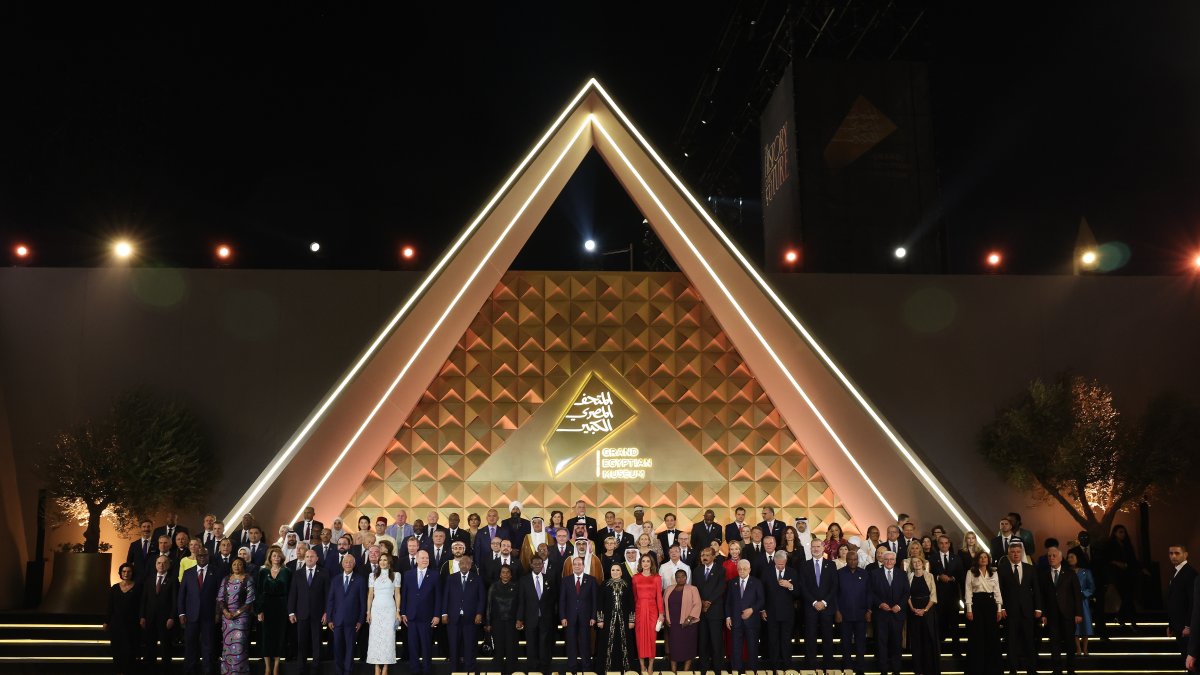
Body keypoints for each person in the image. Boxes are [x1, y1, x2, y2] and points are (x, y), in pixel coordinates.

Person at [998, 541, 1042, 675]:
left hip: (1027, 611)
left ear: (1021, 553)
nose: (1015, 554)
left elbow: (1036, 589)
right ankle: (1012, 669)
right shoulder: (1002, 569)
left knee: (1029, 640)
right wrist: (1002, 608)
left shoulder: (1030, 568)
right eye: (1013, 552)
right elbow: (998, 590)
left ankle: (1032, 669)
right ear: (1008, 554)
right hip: (1010, 612)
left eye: (1018, 552)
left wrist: (1038, 608)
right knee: (1011, 641)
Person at [1040, 545, 1083, 675]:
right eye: (1049, 556)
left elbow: (1077, 595)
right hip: (1052, 615)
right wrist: (1044, 614)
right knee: (1054, 644)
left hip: (1068, 614)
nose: (1051, 558)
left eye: (1054, 556)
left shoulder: (1070, 573)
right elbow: (1042, 596)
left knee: (1070, 643)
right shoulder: (1044, 574)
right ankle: (1056, 670)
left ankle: (1071, 668)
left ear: (1060, 557)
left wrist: (1078, 613)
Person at [178, 548, 220, 675]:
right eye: (199, 555)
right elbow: (182, 595)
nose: (202, 557)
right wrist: (181, 613)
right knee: (190, 646)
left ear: (208, 556)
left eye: (204, 555)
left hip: (209, 616)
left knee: (208, 647)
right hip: (191, 616)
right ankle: (190, 671)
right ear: (196, 556)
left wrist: (218, 613)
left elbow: (220, 595)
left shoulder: (217, 572)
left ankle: (207, 671)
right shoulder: (188, 572)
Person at [442, 553, 484, 671]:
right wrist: (444, 613)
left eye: (467, 563)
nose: (464, 565)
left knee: (469, 646)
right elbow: (446, 596)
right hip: (453, 618)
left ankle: (469, 670)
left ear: (471, 565)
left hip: (471, 619)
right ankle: (454, 670)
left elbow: (481, 598)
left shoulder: (477, 578)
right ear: (459, 565)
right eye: (462, 563)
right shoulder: (451, 578)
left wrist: (479, 613)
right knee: (453, 646)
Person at [288, 548, 328, 675]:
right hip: (301, 613)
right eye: (307, 557)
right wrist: (291, 612)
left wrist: (327, 612)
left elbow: (328, 595)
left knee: (317, 642)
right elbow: (293, 594)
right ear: (304, 558)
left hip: (318, 614)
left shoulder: (324, 573)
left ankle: (315, 669)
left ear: (317, 558)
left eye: (312, 556)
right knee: (302, 642)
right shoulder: (298, 573)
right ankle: (301, 668)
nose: (309, 559)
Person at [868, 550, 909, 675]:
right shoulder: (874, 574)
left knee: (896, 642)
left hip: (897, 615)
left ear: (895, 561)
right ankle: (883, 670)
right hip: (881, 614)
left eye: (892, 559)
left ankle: (896, 670)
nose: (889, 562)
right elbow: (870, 592)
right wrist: (880, 604)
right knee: (881, 643)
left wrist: (899, 606)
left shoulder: (902, 574)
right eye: (886, 559)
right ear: (882, 560)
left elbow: (906, 592)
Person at [400, 550, 440, 675]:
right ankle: (415, 670)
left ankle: (427, 670)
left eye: (427, 558)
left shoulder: (435, 575)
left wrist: (437, 614)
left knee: (426, 646)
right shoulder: (408, 574)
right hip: (411, 616)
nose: (425, 560)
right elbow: (404, 594)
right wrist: (403, 612)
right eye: (422, 558)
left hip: (427, 617)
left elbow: (438, 596)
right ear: (416, 559)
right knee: (413, 646)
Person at [800, 539, 838, 671]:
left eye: (818, 546)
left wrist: (824, 602)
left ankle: (828, 666)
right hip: (811, 607)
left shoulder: (831, 565)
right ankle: (811, 666)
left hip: (827, 608)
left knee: (828, 637)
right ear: (810, 549)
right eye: (813, 547)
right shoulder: (804, 565)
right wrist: (815, 602)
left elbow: (834, 586)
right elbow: (803, 587)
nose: (815, 549)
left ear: (823, 548)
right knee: (810, 638)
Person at [328, 552, 368, 675]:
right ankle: (339, 672)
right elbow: (331, 600)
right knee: (338, 648)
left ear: (354, 564)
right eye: (346, 562)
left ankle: (348, 672)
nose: (348, 564)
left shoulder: (360, 580)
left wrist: (361, 620)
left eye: (351, 562)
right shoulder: (335, 580)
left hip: (352, 622)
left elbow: (363, 602)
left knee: (350, 649)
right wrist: (329, 619)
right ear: (342, 564)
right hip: (337, 621)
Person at [254, 545, 291, 675]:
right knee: (266, 637)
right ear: (270, 557)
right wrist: (259, 610)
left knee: (279, 636)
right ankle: (267, 667)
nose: (276, 558)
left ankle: (276, 666)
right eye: (273, 555)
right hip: (266, 607)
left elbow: (289, 591)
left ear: (282, 557)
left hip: (281, 607)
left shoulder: (287, 571)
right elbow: (258, 592)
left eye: (278, 555)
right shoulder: (263, 572)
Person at [965, 550, 1003, 675]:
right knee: (977, 637)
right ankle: (976, 669)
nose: (983, 559)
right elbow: (968, 591)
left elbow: (997, 591)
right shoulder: (970, 572)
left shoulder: (994, 573)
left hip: (990, 605)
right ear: (977, 559)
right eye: (981, 557)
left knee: (991, 637)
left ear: (988, 559)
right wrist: (969, 610)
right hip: (976, 605)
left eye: (985, 557)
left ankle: (992, 669)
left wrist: (999, 609)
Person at [215, 557, 255, 675]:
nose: (237, 566)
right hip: (227, 618)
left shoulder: (248, 579)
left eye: (239, 564)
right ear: (231, 566)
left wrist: (236, 613)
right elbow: (220, 598)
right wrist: (226, 612)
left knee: (239, 644)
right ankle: (227, 672)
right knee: (227, 646)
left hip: (242, 617)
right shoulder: (226, 579)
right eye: (234, 564)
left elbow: (249, 600)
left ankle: (240, 672)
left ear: (243, 566)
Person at [515, 556, 555, 671]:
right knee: (531, 643)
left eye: (540, 564)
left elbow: (553, 599)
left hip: (545, 618)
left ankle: (544, 668)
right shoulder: (524, 580)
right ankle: (532, 668)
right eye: (535, 564)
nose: (538, 565)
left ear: (543, 565)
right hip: (530, 618)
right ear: (531, 565)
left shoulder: (549, 579)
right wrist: (519, 618)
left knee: (544, 644)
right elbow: (521, 601)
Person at [140, 554, 178, 674]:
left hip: (165, 619)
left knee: (165, 647)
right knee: (150, 646)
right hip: (150, 618)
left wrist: (172, 617)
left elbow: (175, 601)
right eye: (159, 563)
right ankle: (151, 670)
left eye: (164, 563)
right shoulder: (149, 580)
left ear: (168, 565)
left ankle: (166, 670)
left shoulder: (173, 580)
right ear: (155, 565)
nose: (161, 565)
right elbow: (143, 600)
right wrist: (142, 616)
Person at [835, 545, 870, 674]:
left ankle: (860, 668)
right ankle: (847, 667)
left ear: (858, 560)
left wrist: (869, 610)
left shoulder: (865, 574)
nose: (853, 562)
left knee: (861, 643)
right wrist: (837, 611)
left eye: (855, 559)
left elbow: (869, 593)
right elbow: (835, 594)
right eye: (850, 559)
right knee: (845, 643)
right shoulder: (839, 574)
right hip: (844, 615)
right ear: (846, 560)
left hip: (861, 614)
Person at [561, 556, 599, 671]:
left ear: (583, 566)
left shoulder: (591, 580)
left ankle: (586, 667)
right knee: (571, 642)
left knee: (585, 642)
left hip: (586, 617)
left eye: (579, 564)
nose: (577, 566)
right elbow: (562, 600)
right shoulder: (565, 580)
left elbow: (594, 600)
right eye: (575, 564)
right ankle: (572, 667)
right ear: (572, 566)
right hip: (570, 617)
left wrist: (593, 616)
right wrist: (562, 616)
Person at [365, 551, 400, 673]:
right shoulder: (372, 575)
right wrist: (368, 612)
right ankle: (376, 666)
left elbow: (397, 594)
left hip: (390, 609)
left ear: (389, 562)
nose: (382, 562)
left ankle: (385, 666)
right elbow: (370, 595)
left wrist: (398, 611)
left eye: (385, 560)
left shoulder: (396, 575)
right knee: (375, 638)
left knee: (388, 637)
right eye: (381, 560)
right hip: (376, 609)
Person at [726, 558, 764, 671]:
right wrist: (728, 617)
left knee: (752, 648)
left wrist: (752, 609)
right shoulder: (732, 582)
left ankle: (753, 671)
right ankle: (736, 670)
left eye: (744, 569)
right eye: (740, 569)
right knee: (736, 648)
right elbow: (728, 602)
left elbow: (761, 601)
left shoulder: (757, 582)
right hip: (736, 621)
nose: (742, 571)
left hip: (752, 621)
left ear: (749, 569)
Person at [597, 563, 636, 672]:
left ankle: (626, 669)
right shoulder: (604, 584)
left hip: (624, 620)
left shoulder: (627, 585)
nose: (615, 572)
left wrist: (631, 620)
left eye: (617, 570)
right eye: (613, 570)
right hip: (608, 620)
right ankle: (606, 669)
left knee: (624, 643)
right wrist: (600, 619)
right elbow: (600, 602)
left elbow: (631, 603)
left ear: (621, 572)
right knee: (608, 643)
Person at [930, 534, 964, 658]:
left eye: (946, 543)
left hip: (953, 596)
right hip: (938, 596)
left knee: (954, 625)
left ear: (949, 544)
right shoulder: (932, 558)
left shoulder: (957, 558)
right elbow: (929, 576)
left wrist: (953, 578)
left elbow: (961, 576)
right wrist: (939, 577)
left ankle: (957, 651)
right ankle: (938, 651)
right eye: (941, 543)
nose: (944, 545)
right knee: (939, 624)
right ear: (938, 544)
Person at [693, 548, 726, 671]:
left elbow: (721, 588)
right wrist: (701, 602)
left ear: (713, 556)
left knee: (716, 642)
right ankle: (703, 669)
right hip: (701, 612)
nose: (704, 557)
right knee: (703, 642)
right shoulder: (697, 571)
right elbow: (694, 588)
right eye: (702, 555)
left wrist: (709, 602)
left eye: (707, 555)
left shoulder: (720, 570)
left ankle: (718, 669)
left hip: (715, 611)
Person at [906, 555, 940, 675]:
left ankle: (928, 669)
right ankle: (918, 670)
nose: (916, 564)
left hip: (927, 612)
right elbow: (907, 595)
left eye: (918, 562)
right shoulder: (909, 576)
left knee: (927, 640)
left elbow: (933, 595)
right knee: (916, 641)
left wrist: (924, 610)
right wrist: (913, 609)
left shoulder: (929, 576)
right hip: (913, 612)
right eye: (914, 562)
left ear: (923, 563)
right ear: (912, 565)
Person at [104, 562, 140, 675]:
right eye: (124, 571)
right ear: (120, 573)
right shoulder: (114, 588)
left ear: (132, 573)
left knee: (130, 650)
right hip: (116, 625)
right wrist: (106, 621)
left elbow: (141, 605)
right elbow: (110, 606)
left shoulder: (139, 587)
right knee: (117, 650)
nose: (126, 573)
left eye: (129, 571)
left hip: (132, 624)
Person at [632, 553, 664, 673]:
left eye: (648, 561)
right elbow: (635, 596)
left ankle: (651, 664)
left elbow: (659, 597)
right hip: (639, 609)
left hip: (652, 610)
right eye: (643, 561)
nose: (645, 564)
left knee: (651, 638)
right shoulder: (635, 578)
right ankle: (641, 665)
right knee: (639, 638)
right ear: (640, 563)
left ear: (651, 563)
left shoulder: (657, 577)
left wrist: (661, 613)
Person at [485, 564, 519, 674]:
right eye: (503, 572)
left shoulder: (516, 587)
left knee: (511, 651)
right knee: (498, 651)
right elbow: (489, 605)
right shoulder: (493, 587)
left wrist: (519, 620)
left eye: (508, 572)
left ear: (511, 575)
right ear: (500, 574)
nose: (505, 574)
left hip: (511, 623)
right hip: (497, 623)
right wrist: (488, 622)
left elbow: (520, 605)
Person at [664, 568, 701, 671]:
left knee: (688, 647)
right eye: (678, 577)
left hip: (688, 624)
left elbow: (697, 605)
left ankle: (686, 671)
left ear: (686, 577)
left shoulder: (693, 589)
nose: (680, 579)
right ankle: (673, 670)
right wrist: (666, 618)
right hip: (673, 623)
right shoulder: (669, 589)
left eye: (682, 576)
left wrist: (689, 619)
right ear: (675, 578)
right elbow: (664, 605)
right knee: (674, 647)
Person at [1069, 550, 1094, 656]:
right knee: (1074, 626)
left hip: (1083, 601)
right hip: (1070, 602)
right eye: (1068, 557)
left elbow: (1092, 587)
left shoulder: (1086, 571)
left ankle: (1085, 648)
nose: (1069, 559)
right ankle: (1078, 649)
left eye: (1072, 556)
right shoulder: (1066, 571)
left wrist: (1083, 594)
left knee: (1085, 624)